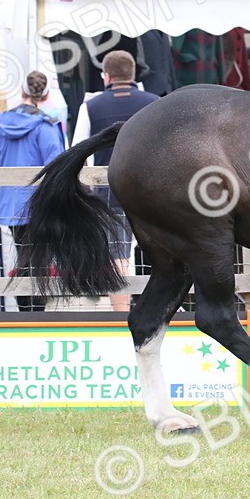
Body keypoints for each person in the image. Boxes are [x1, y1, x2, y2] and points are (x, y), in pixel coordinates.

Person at [72, 50, 158, 310]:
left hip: (108, 192)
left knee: (118, 253)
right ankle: (160, 308)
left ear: (105, 76)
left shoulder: (90, 107)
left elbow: (77, 151)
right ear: (133, 74)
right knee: (165, 251)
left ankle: (121, 316)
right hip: (152, 193)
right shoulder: (153, 102)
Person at [0, 71, 65, 311]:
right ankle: (35, 312)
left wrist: (0, 193)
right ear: (46, 94)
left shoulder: (1, 124)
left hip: (10, 203)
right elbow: (57, 165)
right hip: (39, 203)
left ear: (22, 93)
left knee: (24, 253)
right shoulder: (47, 126)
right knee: (38, 257)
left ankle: (25, 308)